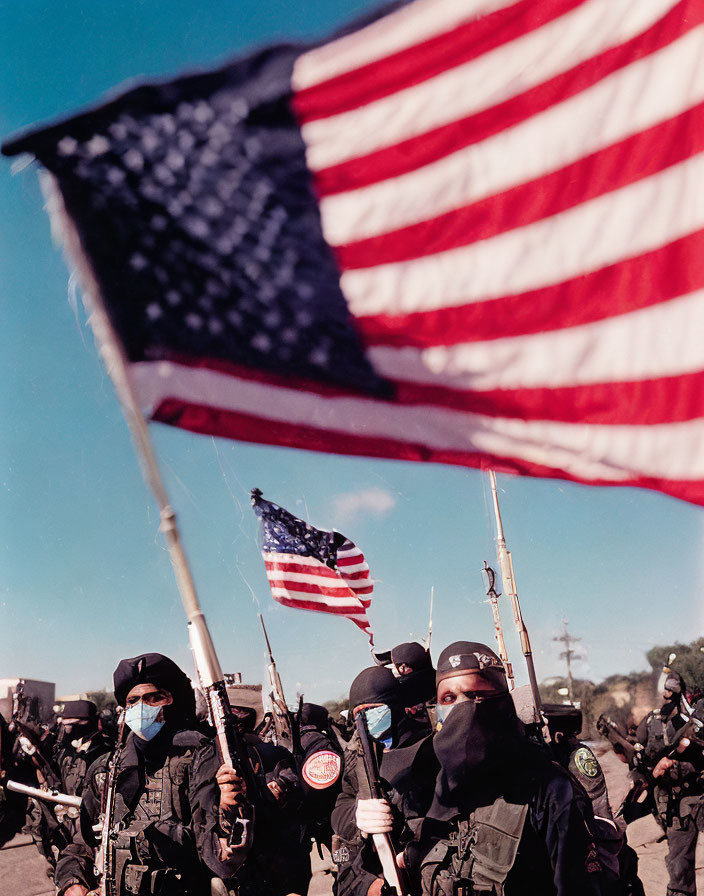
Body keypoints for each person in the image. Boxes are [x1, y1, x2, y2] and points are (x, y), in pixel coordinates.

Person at [408, 641, 605, 896]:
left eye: (477, 695)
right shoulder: (434, 784)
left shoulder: (547, 786)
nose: (462, 709)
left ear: (501, 701)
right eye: (448, 698)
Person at [55, 652, 250, 896]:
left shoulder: (198, 760)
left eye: (153, 698)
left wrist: (228, 812)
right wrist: (72, 882)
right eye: (133, 701)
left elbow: (220, 857)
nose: (142, 707)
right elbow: (81, 844)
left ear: (171, 701)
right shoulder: (105, 770)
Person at [332, 665, 438, 896]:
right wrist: (357, 814)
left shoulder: (429, 748)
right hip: (376, 873)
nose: (366, 719)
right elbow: (343, 800)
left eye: (373, 710)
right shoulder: (357, 756)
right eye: (358, 713)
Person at [634, 671, 704, 896]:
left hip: (699, 791)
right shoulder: (652, 721)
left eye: (672, 694)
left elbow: (691, 739)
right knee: (679, 867)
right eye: (665, 693)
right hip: (675, 800)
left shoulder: (694, 714)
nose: (667, 698)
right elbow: (639, 754)